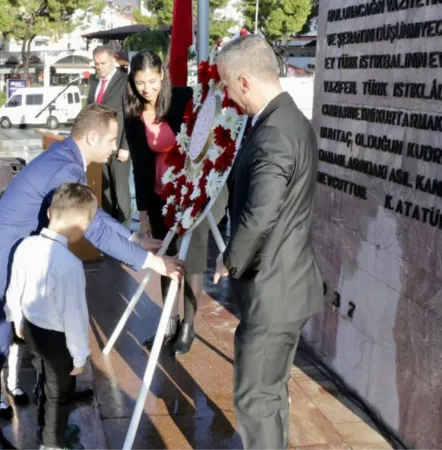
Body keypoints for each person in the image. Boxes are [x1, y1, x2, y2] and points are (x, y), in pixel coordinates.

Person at [0, 103, 184, 450]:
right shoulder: (65, 165)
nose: (115, 147)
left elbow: (89, 212)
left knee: (40, 339)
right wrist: (155, 265)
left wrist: (132, 239)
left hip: (11, 261)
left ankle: (53, 406)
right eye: (111, 140)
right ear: (92, 136)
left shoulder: (65, 158)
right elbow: (92, 228)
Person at [212, 36, 323, 449]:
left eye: (226, 84)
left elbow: (261, 213)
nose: (226, 93)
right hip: (288, 283)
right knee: (271, 393)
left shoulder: (275, 132)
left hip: (273, 288)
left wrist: (230, 259)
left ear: (244, 80)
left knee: (255, 397)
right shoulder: (289, 118)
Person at [123, 50, 228, 355]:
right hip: (160, 196)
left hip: (192, 194)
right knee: (166, 260)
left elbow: (208, 139)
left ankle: (188, 327)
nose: (147, 89)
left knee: (193, 260)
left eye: (153, 81)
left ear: (163, 76)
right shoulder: (133, 111)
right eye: (141, 82)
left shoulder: (184, 99)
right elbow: (140, 165)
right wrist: (143, 210)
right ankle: (168, 322)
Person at [5, 183, 98, 450]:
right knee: (59, 394)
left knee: (44, 380)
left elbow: (15, 288)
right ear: (81, 226)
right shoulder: (70, 264)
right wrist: (80, 354)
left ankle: (45, 429)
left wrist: (16, 319)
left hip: (32, 330)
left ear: (49, 212)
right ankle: (51, 443)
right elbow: (75, 314)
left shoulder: (25, 245)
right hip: (58, 340)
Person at [87, 46, 131, 226]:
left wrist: (126, 147)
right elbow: (89, 112)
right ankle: (110, 229)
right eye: (96, 64)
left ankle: (125, 230)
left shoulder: (125, 81)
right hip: (99, 147)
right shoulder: (93, 83)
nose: (99, 67)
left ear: (113, 60)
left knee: (119, 190)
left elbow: (130, 114)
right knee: (104, 191)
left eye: (103, 63)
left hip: (119, 145)